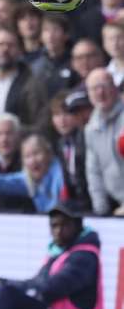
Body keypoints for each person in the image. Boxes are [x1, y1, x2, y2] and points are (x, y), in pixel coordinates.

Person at [0, 134, 67, 214]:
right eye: (27, 156)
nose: (33, 160)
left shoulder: (60, 173)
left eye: (37, 153)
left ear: (49, 154)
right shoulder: (27, 178)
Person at [83, 67, 124, 216]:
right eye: (94, 89)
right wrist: (100, 211)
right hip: (117, 204)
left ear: (114, 87)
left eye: (103, 86)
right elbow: (93, 172)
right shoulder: (91, 129)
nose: (99, 93)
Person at [51, 91, 92, 212]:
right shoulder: (61, 143)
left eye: (66, 114)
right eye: (57, 115)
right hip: (76, 201)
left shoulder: (86, 137)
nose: (62, 120)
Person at [30, 14, 76, 96]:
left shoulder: (75, 63)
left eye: (56, 29)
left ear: (66, 34)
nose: (50, 36)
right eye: (46, 30)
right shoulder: (35, 66)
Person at [102, 20, 124, 87]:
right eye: (110, 39)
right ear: (104, 43)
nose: (115, 43)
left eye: (120, 38)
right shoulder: (104, 73)